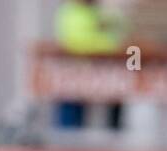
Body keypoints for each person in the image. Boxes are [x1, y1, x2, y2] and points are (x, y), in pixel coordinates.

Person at [54, 0, 126, 130]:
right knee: (71, 103)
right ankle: (68, 137)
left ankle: (112, 135)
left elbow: (116, 38)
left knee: (115, 101)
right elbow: (76, 42)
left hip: (104, 69)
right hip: (75, 69)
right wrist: (103, 44)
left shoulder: (101, 12)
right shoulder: (71, 11)